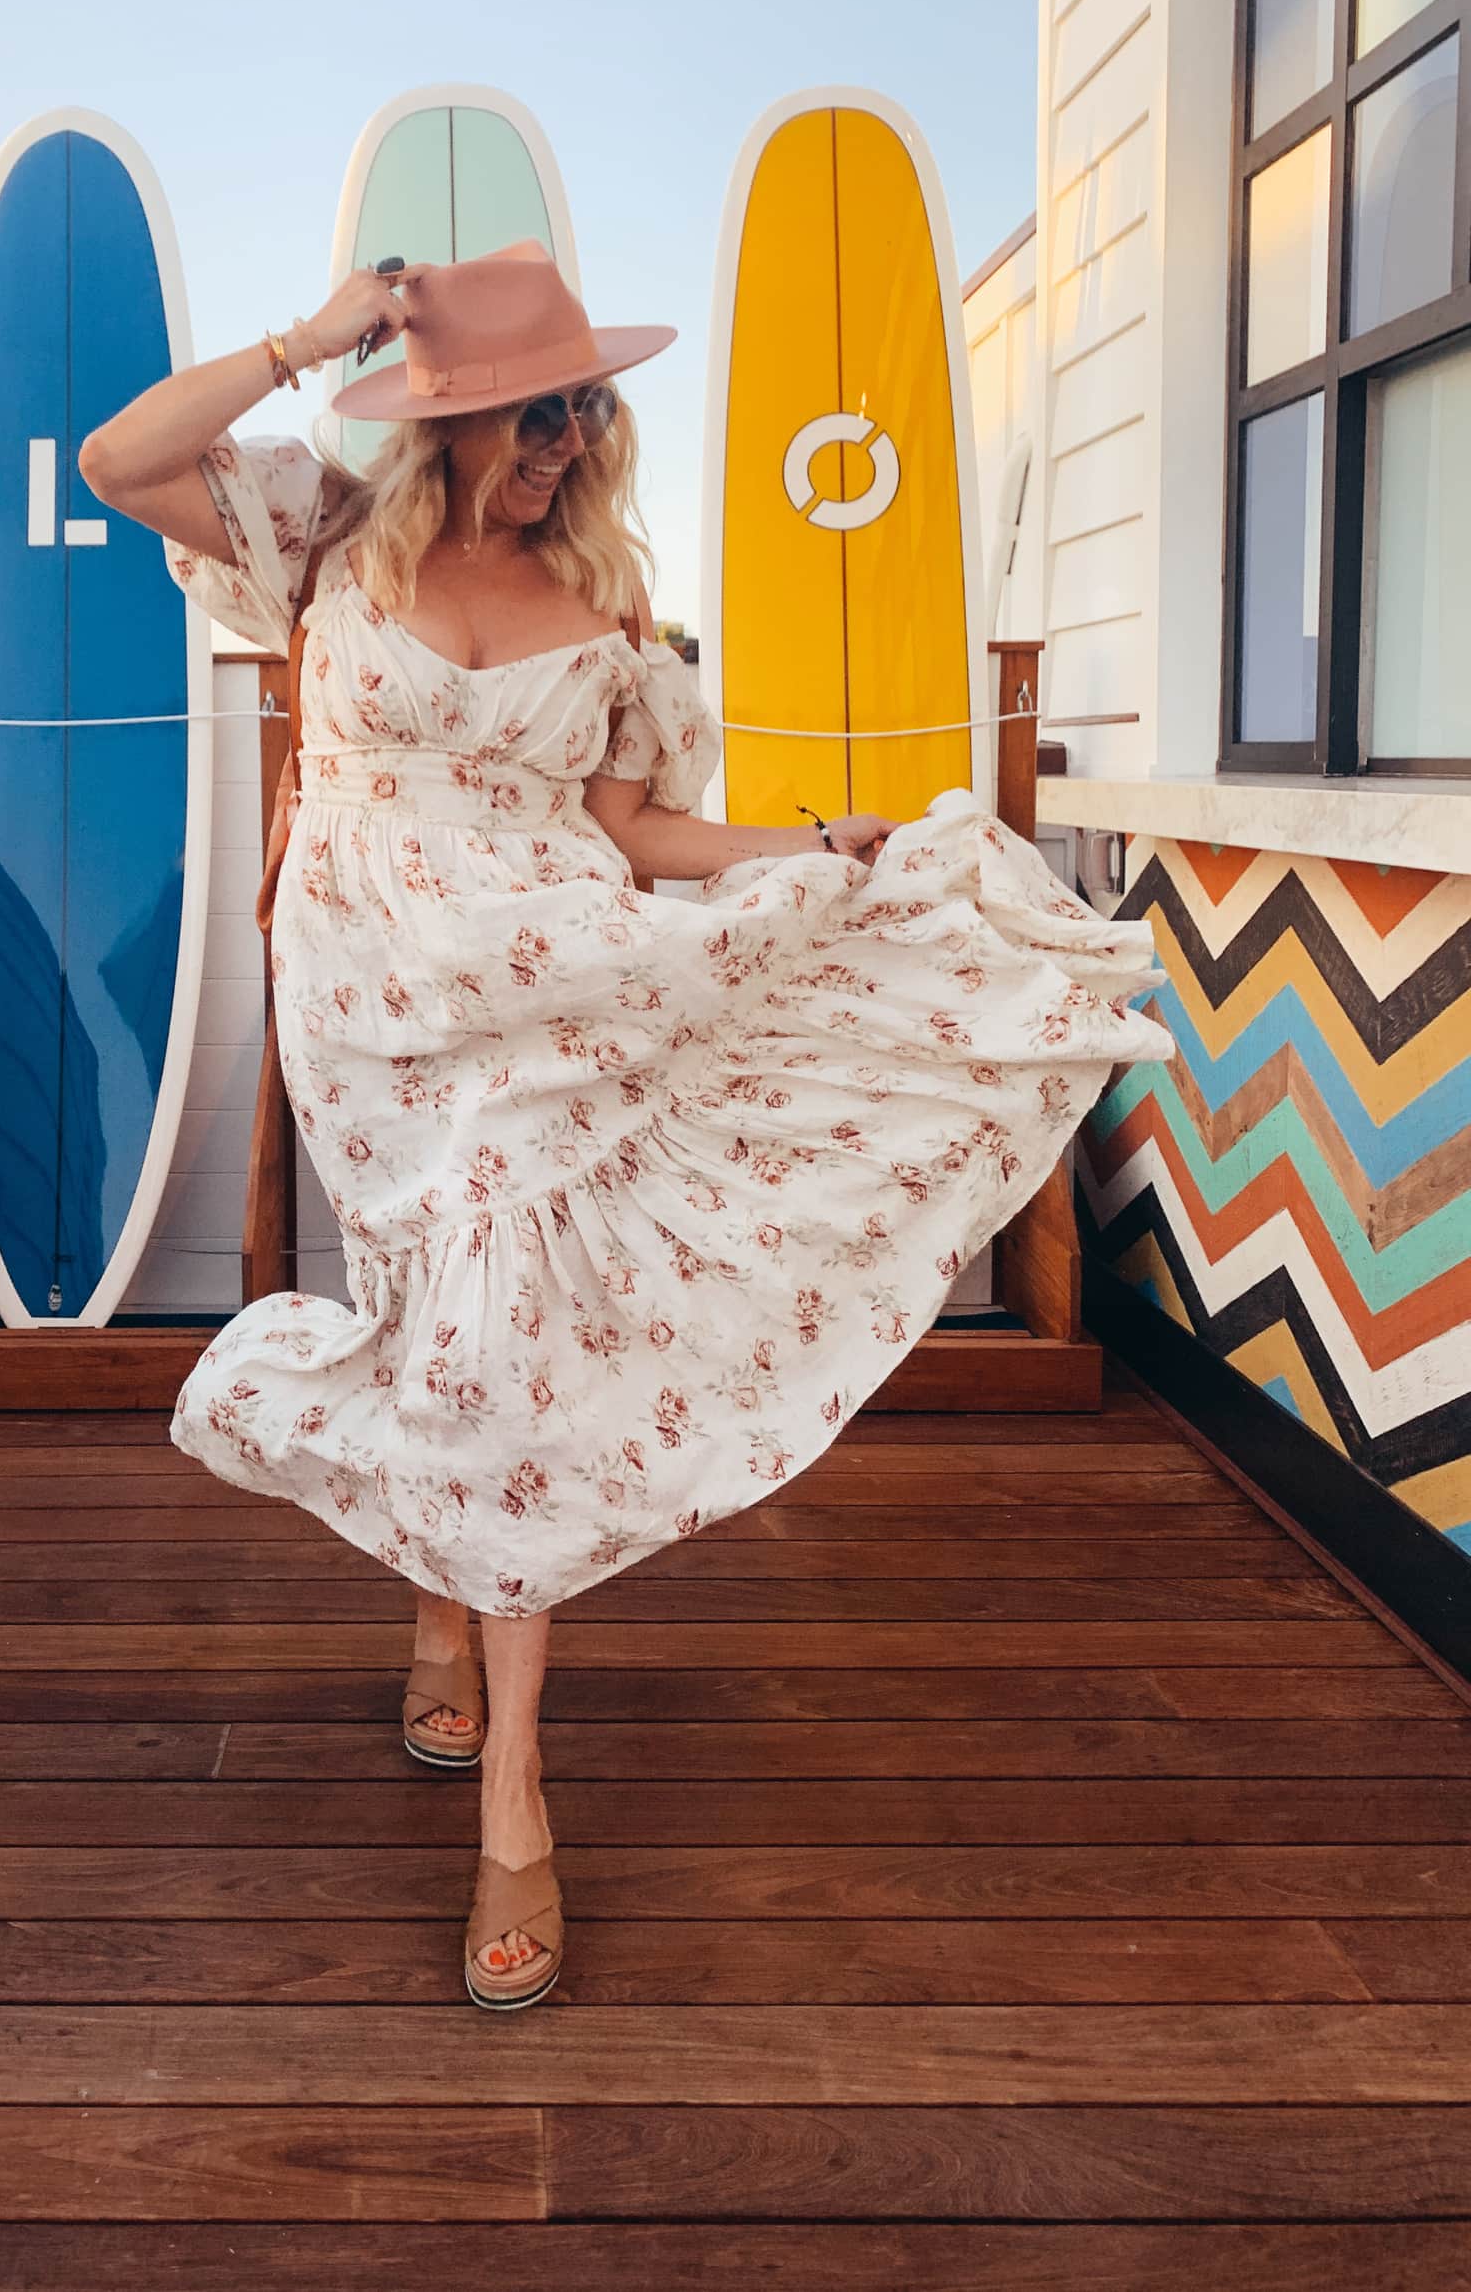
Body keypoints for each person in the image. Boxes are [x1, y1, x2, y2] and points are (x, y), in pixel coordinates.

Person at [77, 241, 1172, 2010]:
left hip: (550, 998)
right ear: (446, 412)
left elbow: (637, 837)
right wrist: (310, 338)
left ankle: (514, 1792)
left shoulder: (614, 611)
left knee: (507, 1340)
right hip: (371, 1012)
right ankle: (437, 1598)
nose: (568, 444)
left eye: (586, 409)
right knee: (432, 1317)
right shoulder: (325, 540)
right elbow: (115, 463)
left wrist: (817, 853)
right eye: (537, 410)